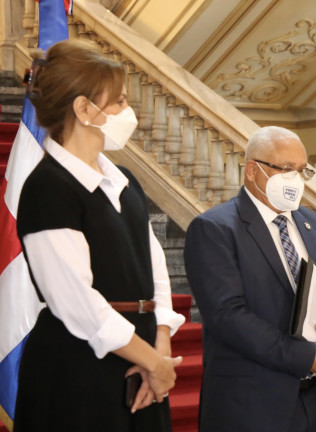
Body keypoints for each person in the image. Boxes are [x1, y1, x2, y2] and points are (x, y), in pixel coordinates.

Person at [14, 39, 185, 432]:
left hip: (142, 356)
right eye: (119, 102)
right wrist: (152, 362)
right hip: (80, 367)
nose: (128, 112)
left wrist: (159, 349)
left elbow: (155, 270)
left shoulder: (125, 180)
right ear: (84, 109)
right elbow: (76, 300)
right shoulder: (48, 187)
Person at [184, 126, 316, 432]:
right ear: (252, 171)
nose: (295, 179)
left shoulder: (311, 223)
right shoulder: (214, 229)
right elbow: (227, 316)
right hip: (252, 405)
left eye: (301, 170)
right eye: (285, 168)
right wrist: (306, 356)